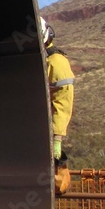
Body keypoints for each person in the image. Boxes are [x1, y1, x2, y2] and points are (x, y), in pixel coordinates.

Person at [40, 16, 74, 193]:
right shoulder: (46, 62)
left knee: (56, 177)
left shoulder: (56, 62)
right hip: (38, 130)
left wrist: (58, 137)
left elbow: (63, 100)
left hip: (48, 132)